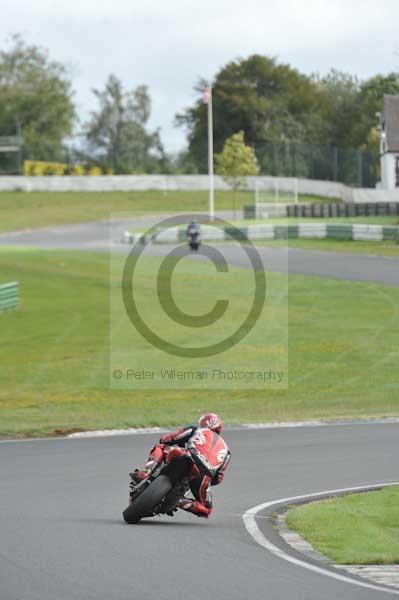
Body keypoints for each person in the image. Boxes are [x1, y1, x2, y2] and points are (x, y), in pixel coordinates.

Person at [132, 413, 230, 518]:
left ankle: (146, 472)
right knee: (206, 509)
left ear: (203, 422)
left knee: (160, 447)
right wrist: (208, 480)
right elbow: (218, 478)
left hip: (188, 456)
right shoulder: (226, 451)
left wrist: (169, 441)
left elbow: (168, 439)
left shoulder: (196, 429)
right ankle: (179, 501)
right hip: (204, 475)